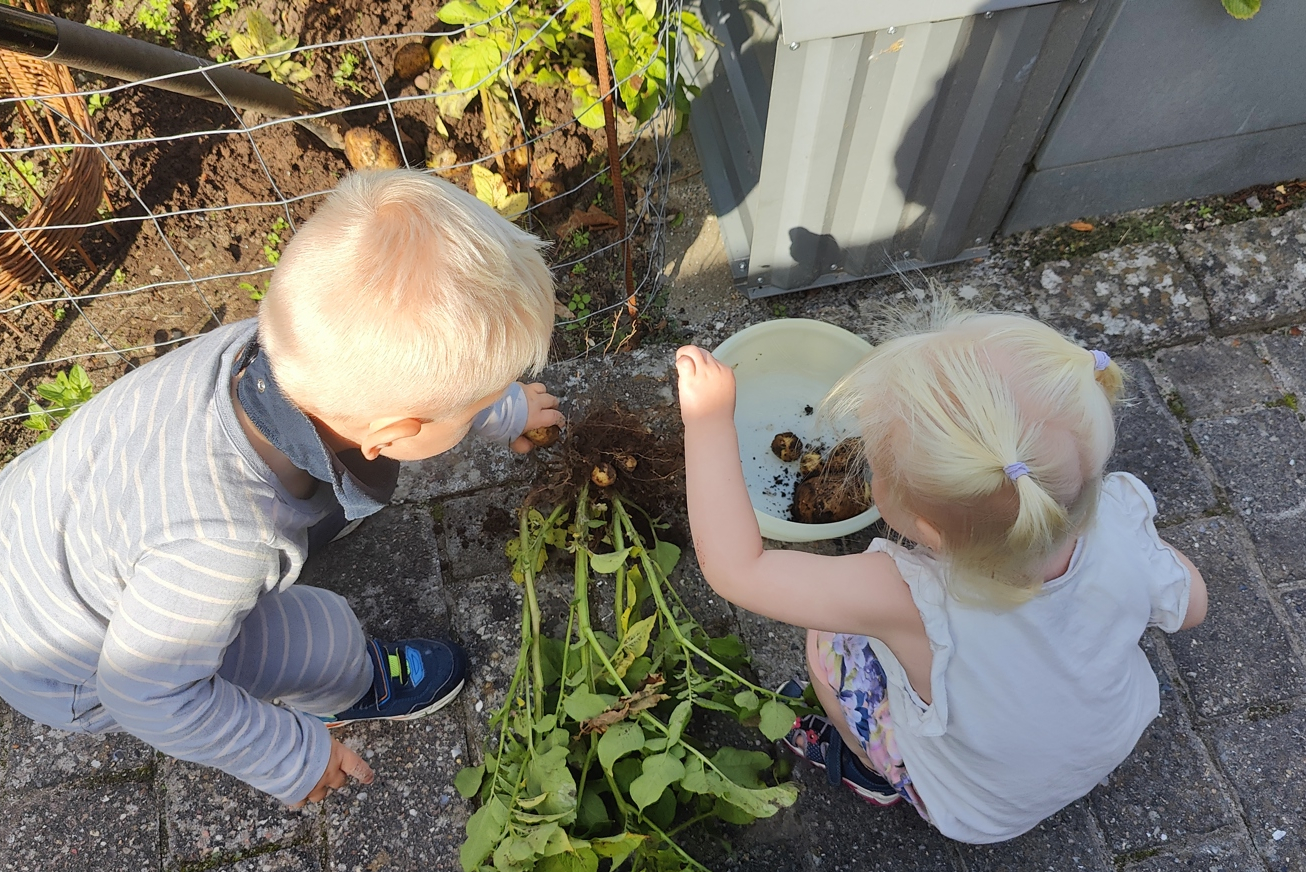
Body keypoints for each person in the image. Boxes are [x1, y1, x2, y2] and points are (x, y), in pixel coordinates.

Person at [0, 170, 564, 808]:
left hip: (31, 527)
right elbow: (145, 692)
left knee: (307, 511)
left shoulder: (273, 350)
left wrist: (495, 408)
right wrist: (286, 753)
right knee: (322, 631)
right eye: (479, 404)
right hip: (75, 663)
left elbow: (409, 388)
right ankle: (356, 686)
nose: (486, 407)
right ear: (393, 433)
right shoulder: (224, 544)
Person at [674, 300, 1208, 843]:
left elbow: (740, 568)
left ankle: (875, 769)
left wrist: (707, 421)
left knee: (827, 641)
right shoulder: (1119, 517)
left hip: (978, 807)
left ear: (925, 529)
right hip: (1110, 733)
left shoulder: (903, 596)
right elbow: (1193, 608)